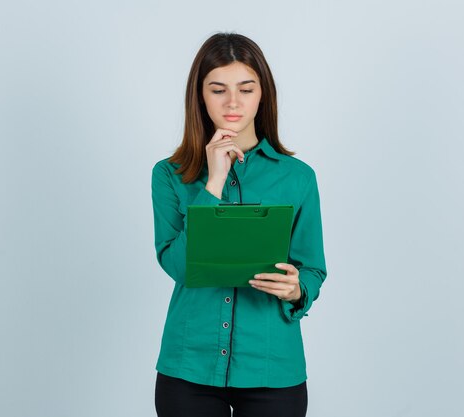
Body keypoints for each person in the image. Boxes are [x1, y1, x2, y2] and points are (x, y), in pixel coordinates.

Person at [150, 32, 327, 417]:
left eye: (246, 89)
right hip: (188, 369)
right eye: (218, 89)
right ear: (200, 95)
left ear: (263, 95)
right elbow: (178, 268)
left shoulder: (298, 178)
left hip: (272, 368)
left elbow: (312, 267)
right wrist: (212, 183)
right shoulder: (169, 175)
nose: (233, 102)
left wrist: (298, 288)